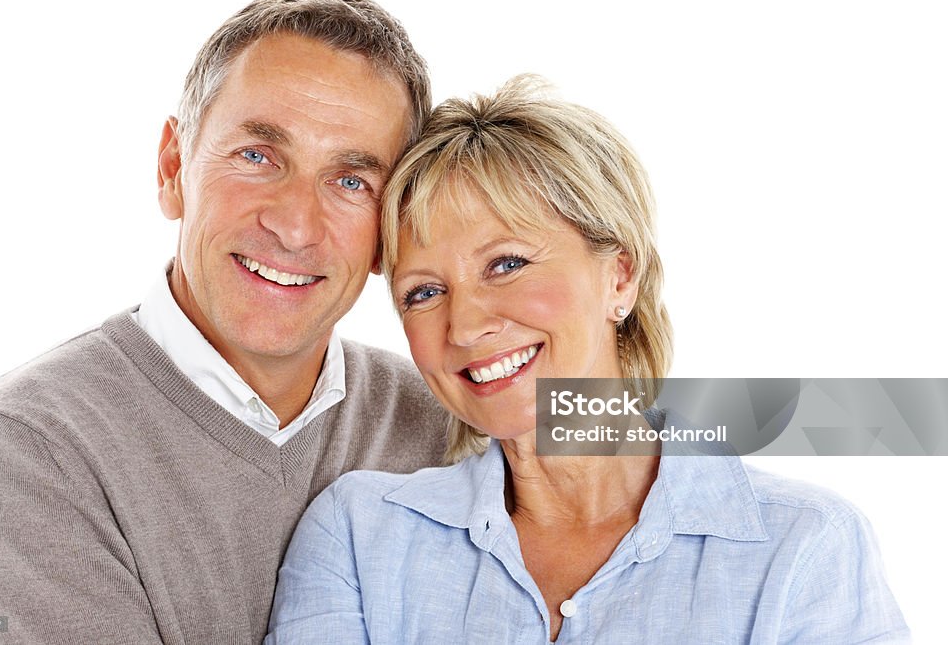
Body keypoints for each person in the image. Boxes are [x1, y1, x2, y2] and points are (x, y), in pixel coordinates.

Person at [267, 76, 910, 643]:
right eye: (424, 292)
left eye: (507, 264)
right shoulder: (358, 537)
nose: (463, 325)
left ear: (620, 276)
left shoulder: (804, 549)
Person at [0, 0, 448, 644]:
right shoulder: (25, 446)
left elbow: (620, 419)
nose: (295, 226)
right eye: (258, 156)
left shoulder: (449, 412)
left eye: (352, 181)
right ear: (174, 166)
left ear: (394, 227)